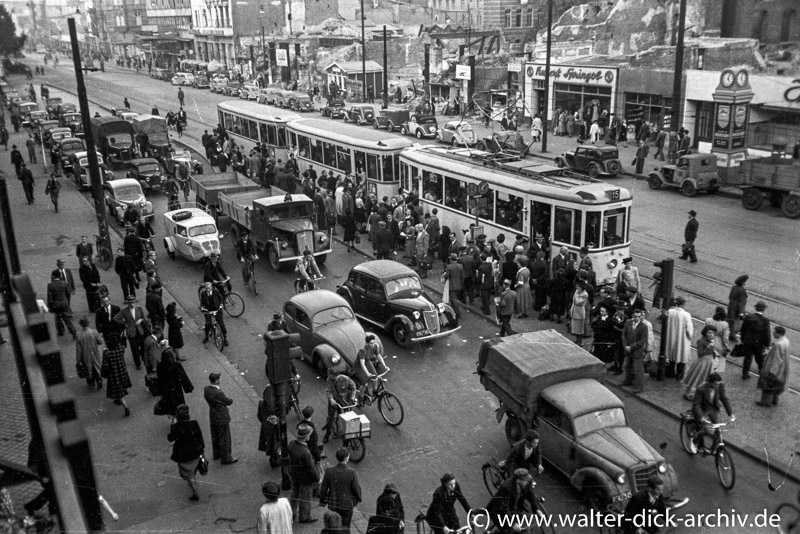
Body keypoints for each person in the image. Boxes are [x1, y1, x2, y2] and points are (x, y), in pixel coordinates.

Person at [319, 447, 362, 534]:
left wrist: (322, 500)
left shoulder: (329, 471)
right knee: (346, 527)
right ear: (346, 458)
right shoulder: (351, 472)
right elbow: (356, 489)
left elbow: (323, 489)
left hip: (333, 504)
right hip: (346, 505)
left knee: (333, 526)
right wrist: (357, 499)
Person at [167, 404, 205, 501]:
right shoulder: (194, 423)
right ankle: (195, 479)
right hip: (195, 451)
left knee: (188, 474)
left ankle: (195, 492)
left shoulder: (176, 426)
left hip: (183, 454)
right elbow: (199, 436)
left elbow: (170, 438)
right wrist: (202, 448)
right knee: (193, 469)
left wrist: (173, 425)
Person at [691, 373, 734, 454]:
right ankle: (694, 442)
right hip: (702, 409)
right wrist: (701, 417)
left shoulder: (720, 386)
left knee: (718, 428)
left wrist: (730, 414)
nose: (718, 386)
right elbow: (696, 404)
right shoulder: (701, 389)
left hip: (713, 408)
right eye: (716, 384)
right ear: (710, 383)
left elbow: (724, 399)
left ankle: (713, 449)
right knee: (706, 429)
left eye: (719, 384)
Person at [204, 372, 237, 464]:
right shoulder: (218, 392)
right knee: (224, 437)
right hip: (221, 416)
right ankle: (226, 458)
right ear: (216, 380)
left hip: (213, 414)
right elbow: (229, 401)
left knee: (215, 435)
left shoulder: (206, 389)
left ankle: (217, 454)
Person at [288, 424, 318, 523]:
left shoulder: (292, 444)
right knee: (305, 497)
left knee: (295, 493)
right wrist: (316, 478)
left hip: (294, 474)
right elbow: (311, 469)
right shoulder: (306, 452)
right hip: (305, 478)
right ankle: (304, 516)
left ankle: (291, 513)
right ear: (306, 437)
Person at [682, 325, 718, 401]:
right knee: (698, 379)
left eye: (713, 333)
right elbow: (700, 354)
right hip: (702, 363)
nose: (711, 335)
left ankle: (701, 396)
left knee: (705, 380)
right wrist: (708, 347)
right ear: (705, 333)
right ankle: (690, 394)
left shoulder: (712, 340)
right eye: (709, 333)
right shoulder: (701, 341)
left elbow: (713, 352)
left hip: (710, 363)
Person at [757, 326, 790, 407]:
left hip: (774, 367)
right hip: (783, 367)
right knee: (776, 385)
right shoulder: (786, 341)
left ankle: (766, 402)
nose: (773, 333)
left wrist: (772, 371)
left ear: (778, 333)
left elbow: (777, 359)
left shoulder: (779, 344)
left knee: (768, 383)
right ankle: (774, 400)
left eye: (774, 332)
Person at [323, 368, 357, 443]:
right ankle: (327, 433)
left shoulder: (345, 379)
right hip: (334, 401)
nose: (334, 379)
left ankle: (349, 431)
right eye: (332, 377)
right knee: (330, 417)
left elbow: (353, 387)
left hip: (345, 401)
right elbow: (328, 391)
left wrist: (352, 397)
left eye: (336, 377)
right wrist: (331, 399)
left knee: (348, 416)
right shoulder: (329, 380)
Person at [102, 332, 132, 416]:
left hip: (113, 373)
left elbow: (104, 364)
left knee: (118, 390)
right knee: (121, 387)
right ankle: (118, 399)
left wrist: (103, 373)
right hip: (122, 370)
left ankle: (126, 407)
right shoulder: (121, 349)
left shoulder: (107, 353)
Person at [157, 347, 193, 417]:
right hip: (176, 388)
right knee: (179, 404)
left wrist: (160, 391)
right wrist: (188, 388)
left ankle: (173, 417)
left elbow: (159, 379)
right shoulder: (176, 365)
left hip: (166, 389)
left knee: (170, 405)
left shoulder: (160, 365)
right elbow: (183, 377)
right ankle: (180, 417)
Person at [114, 295, 147, 370]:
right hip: (131, 332)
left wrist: (141, 320)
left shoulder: (139, 308)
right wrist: (124, 322)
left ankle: (142, 356)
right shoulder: (124, 311)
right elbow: (116, 318)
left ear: (135, 302)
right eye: (130, 303)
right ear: (127, 303)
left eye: (133, 302)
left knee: (143, 346)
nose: (132, 304)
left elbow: (144, 317)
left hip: (140, 331)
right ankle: (138, 364)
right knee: (134, 349)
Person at [740, 301, 770, 379]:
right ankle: (761, 375)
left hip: (748, 342)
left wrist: (743, 339)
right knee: (760, 360)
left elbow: (743, 329)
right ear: (764, 310)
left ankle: (745, 374)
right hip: (759, 344)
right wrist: (767, 345)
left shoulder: (748, 317)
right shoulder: (765, 321)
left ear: (756, 308)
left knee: (747, 359)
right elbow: (767, 334)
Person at [665, 296, 693, 380]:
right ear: (683, 304)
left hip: (671, 337)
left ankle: (670, 373)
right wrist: (689, 337)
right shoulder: (686, 315)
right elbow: (689, 329)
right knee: (681, 356)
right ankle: (679, 375)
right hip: (682, 339)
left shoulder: (670, 312)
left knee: (672, 355)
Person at [355, 334, 388, 400]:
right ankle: (360, 397)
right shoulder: (362, 350)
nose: (372, 345)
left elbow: (379, 356)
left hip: (367, 361)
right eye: (371, 343)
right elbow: (362, 364)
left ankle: (374, 390)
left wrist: (385, 366)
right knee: (364, 383)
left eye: (373, 343)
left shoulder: (375, 346)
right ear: (367, 343)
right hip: (359, 366)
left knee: (375, 376)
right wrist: (367, 373)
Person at [622, 308, 648, 393]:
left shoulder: (644, 327)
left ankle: (639, 387)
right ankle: (628, 380)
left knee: (638, 369)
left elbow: (642, 341)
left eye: (639, 317)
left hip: (637, 351)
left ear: (641, 317)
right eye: (635, 316)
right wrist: (625, 345)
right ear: (633, 316)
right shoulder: (628, 323)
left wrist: (631, 347)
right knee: (628, 366)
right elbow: (624, 334)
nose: (637, 318)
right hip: (628, 349)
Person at [75, 316, 104, 390]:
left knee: (88, 368)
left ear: (81, 325)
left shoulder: (79, 335)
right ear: (88, 324)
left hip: (85, 355)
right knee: (97, 366)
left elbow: (78, 350)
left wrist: (78, 360)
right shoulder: (94, 332)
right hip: (95, 353)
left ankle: (91, 382)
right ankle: (99, 380)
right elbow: (100, 342)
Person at [47, 272, 75, 339]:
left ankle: (61, 331)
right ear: (60, 276)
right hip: (64, 303)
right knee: (66, 318)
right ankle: (73, 331)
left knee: (57, 318)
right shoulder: (64, 283)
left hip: (56, 304)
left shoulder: (50, 285)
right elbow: (68, 293)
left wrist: (50, 306)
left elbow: (49, 297)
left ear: (53, 276)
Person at [200, 280, 228, 346]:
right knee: (208, 324)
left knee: (221, 324)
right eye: (206, 288)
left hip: (217, 310)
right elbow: (202, 303)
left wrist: (221, 304)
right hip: (208, 311)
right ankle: (206, 336)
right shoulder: (203, 294)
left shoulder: (216, 292)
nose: (208, 290)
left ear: (211, 288)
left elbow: (220, 298)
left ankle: (225, 338)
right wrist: (202, 308)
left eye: (209, 288)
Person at [705, 307, 730, 373]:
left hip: (708, 340)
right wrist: (727, 347)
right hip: (718, 342)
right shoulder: (725, 324)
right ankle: (713, 373)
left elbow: (704, 332)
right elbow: (725, 338)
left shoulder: (708, 320)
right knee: (716, 361)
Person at [570, 278, 591, 347]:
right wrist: (571, 309)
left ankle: (580, 341)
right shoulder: (577, 291)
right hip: (574, 310)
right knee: (575, 327)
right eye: (577, 286)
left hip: (580, 311)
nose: (577, 288)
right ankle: (577, 339)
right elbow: (573, 301)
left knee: (580, 328)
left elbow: (578, 302)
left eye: (578, 287)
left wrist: (576, 295)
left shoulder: (585, 294)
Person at [727, 275, 748, 340]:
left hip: (731, 306)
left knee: (731, 320)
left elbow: (730, 297)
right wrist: (741, 312)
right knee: (737, 322)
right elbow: (742, 302)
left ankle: (731, 333)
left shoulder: (734, 287)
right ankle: (733, 335)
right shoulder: (742, 290)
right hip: (737, 308)